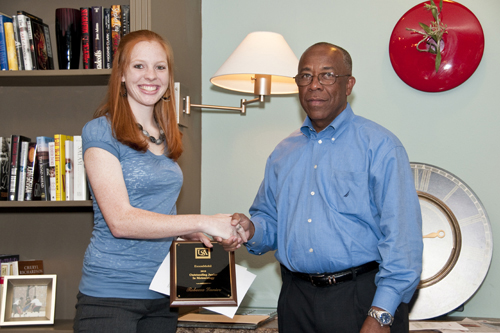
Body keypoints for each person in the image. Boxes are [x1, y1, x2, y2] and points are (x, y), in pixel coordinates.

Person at [218, 42, 423, 332]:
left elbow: (403, 239)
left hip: (361, 299)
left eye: (327, 75)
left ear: (349, 84)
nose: (314, 85)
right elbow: (270, 221)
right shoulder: (283, 152)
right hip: (295, 300)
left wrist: (381, 313)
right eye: (305, 76)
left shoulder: (380, 146)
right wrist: (251, 228)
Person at [73, 30, 246, 333]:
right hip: (112, 296)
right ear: (122, 74)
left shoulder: (167, 136)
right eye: (139, 66)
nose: (150, 75)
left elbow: (156, 212)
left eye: (160, 67)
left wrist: (190, 232)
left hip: (163, 293)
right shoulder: (100, 132)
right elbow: (121, 221)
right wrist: (203, 221)